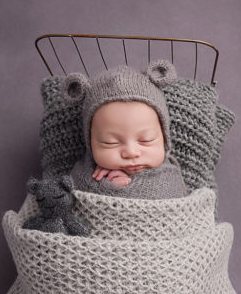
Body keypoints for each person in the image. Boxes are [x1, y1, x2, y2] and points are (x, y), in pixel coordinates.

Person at [64, 61, 187, 200]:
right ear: (90, 142)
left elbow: (173, 199)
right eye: (110, 142)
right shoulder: (82, 174)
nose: (131, 153)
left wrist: (123, 191)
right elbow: (70, 199)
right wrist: (104, 187)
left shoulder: (170, 176)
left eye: (146, 140)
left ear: (164, 138)